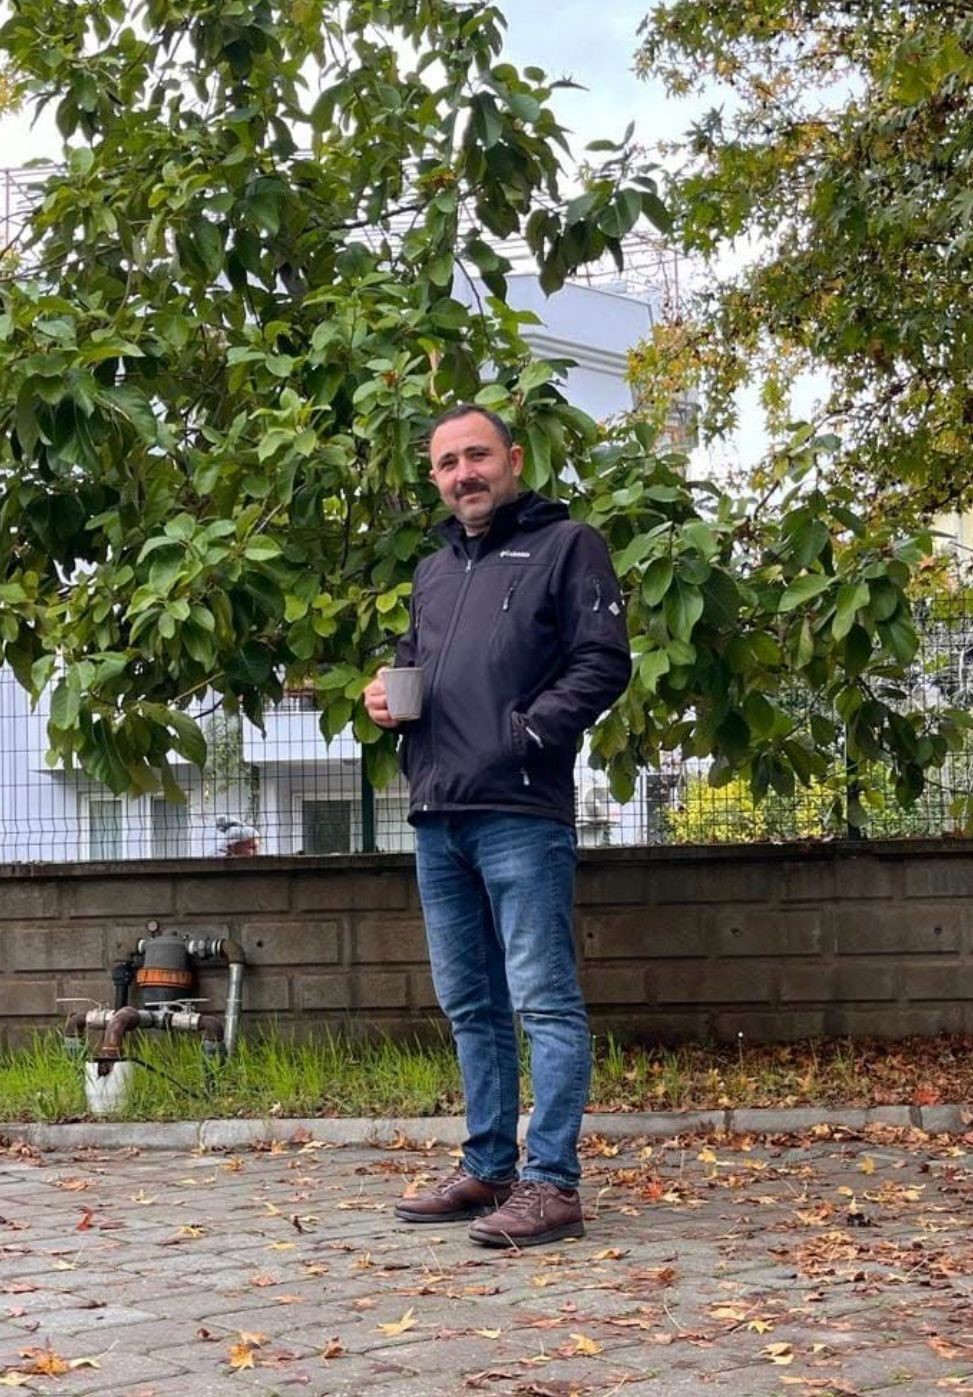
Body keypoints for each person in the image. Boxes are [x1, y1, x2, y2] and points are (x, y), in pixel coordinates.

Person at [364, 403, 630, 1248]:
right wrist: (385, 698)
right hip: (438, 813)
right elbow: (414, 662)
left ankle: (552, 1184)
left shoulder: (567, 545)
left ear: (512, 458)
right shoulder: (433, 570)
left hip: (518, 809)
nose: (463, 474)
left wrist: (526, 734)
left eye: (476, 455)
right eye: (446, 463)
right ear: (435, 478)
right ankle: (488, 1166)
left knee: (543, 1001)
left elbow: (602, 661)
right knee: (470, 1003)